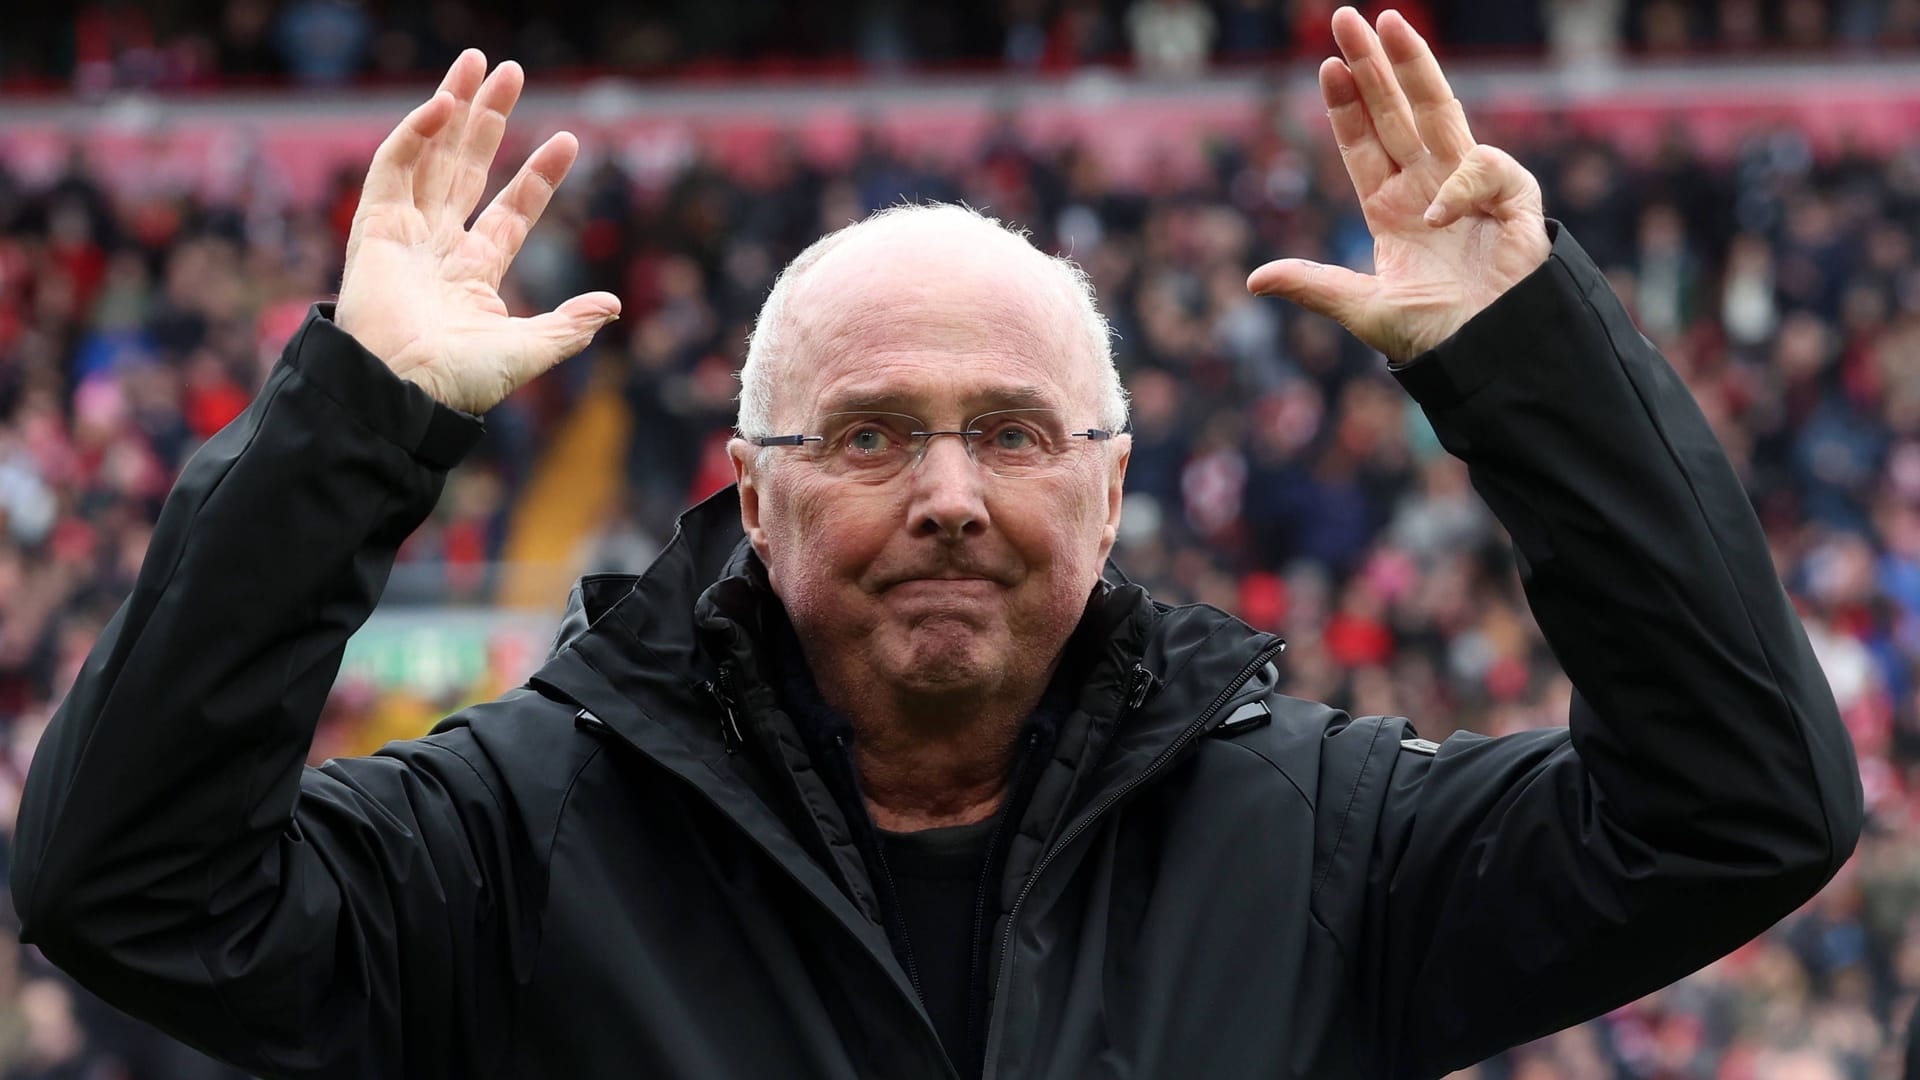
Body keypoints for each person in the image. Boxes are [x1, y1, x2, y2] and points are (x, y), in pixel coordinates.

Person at [9, 7, 1862, 1079]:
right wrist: (360, 413)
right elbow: (130, 886)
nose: (952, 493)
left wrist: (1532, 367)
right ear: (754, 488)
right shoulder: (518, 839)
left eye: (1012, 433)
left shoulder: (1324, 846)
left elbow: (1742, 809)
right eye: (873, 436)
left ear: (1111, 488)